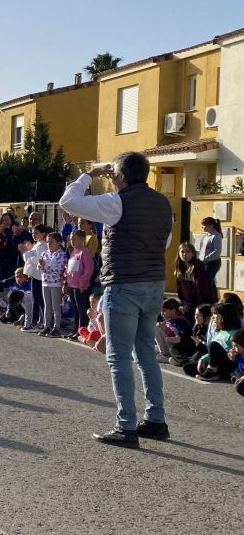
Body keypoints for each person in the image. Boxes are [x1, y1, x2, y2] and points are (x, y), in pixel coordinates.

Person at [59, 151, 173, 447]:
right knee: (145, 353)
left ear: (121, 176)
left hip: (124, 284)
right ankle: (156, 420)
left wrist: (90, 174)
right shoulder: (163, 203)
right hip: (154, 284)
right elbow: (165, 241)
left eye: (114, 176)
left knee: (118, 356)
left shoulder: (117, 202)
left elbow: (68, 202)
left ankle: (126, 426)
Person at [64, 229, 95, 339]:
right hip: (72, 285)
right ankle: (76, 330)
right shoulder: (73, 252)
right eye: (71, 239)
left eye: (74, 239)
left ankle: (82, 331)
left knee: (81, 309)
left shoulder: (84, 252)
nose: (72, 241)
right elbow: (70, 269)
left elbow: (89, 269)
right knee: (75, 309)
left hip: (79, 286)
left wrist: (83, 282)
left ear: (82, 239)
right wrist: (66, 281)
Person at [174, 241, 216, 319]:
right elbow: (180, 288)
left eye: (188, 251)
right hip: (188, 303)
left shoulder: (198, 267)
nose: (184, 254)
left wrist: (199, 307)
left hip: (201, 304)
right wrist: (184, 302)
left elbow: (202, 290)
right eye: (182, 252)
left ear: (193, 253)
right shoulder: (180, 268)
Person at [38, 231, 68, 337]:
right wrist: (41, 265)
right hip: (45, 282)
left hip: (56, 284)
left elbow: (58, 270)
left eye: (51, 242)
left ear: (59, 242)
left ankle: (57, 327)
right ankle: (47, 326)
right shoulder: (45, 253)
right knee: (47, 306)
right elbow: (40, 267)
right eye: (47, 242)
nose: (49, 244)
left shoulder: (61, 255)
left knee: (56, 306)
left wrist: (45, 266)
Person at [199, 216, 223, 287]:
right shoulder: (206, 236)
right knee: (204, 281)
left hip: (212, 263)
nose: (202, 227)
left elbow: (217, 251)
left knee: (208, 281)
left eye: (204, 225)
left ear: (211, 226)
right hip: (204, 262)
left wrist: (206, 258)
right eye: (202, 225)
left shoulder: (216, 236)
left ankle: (212, 294)